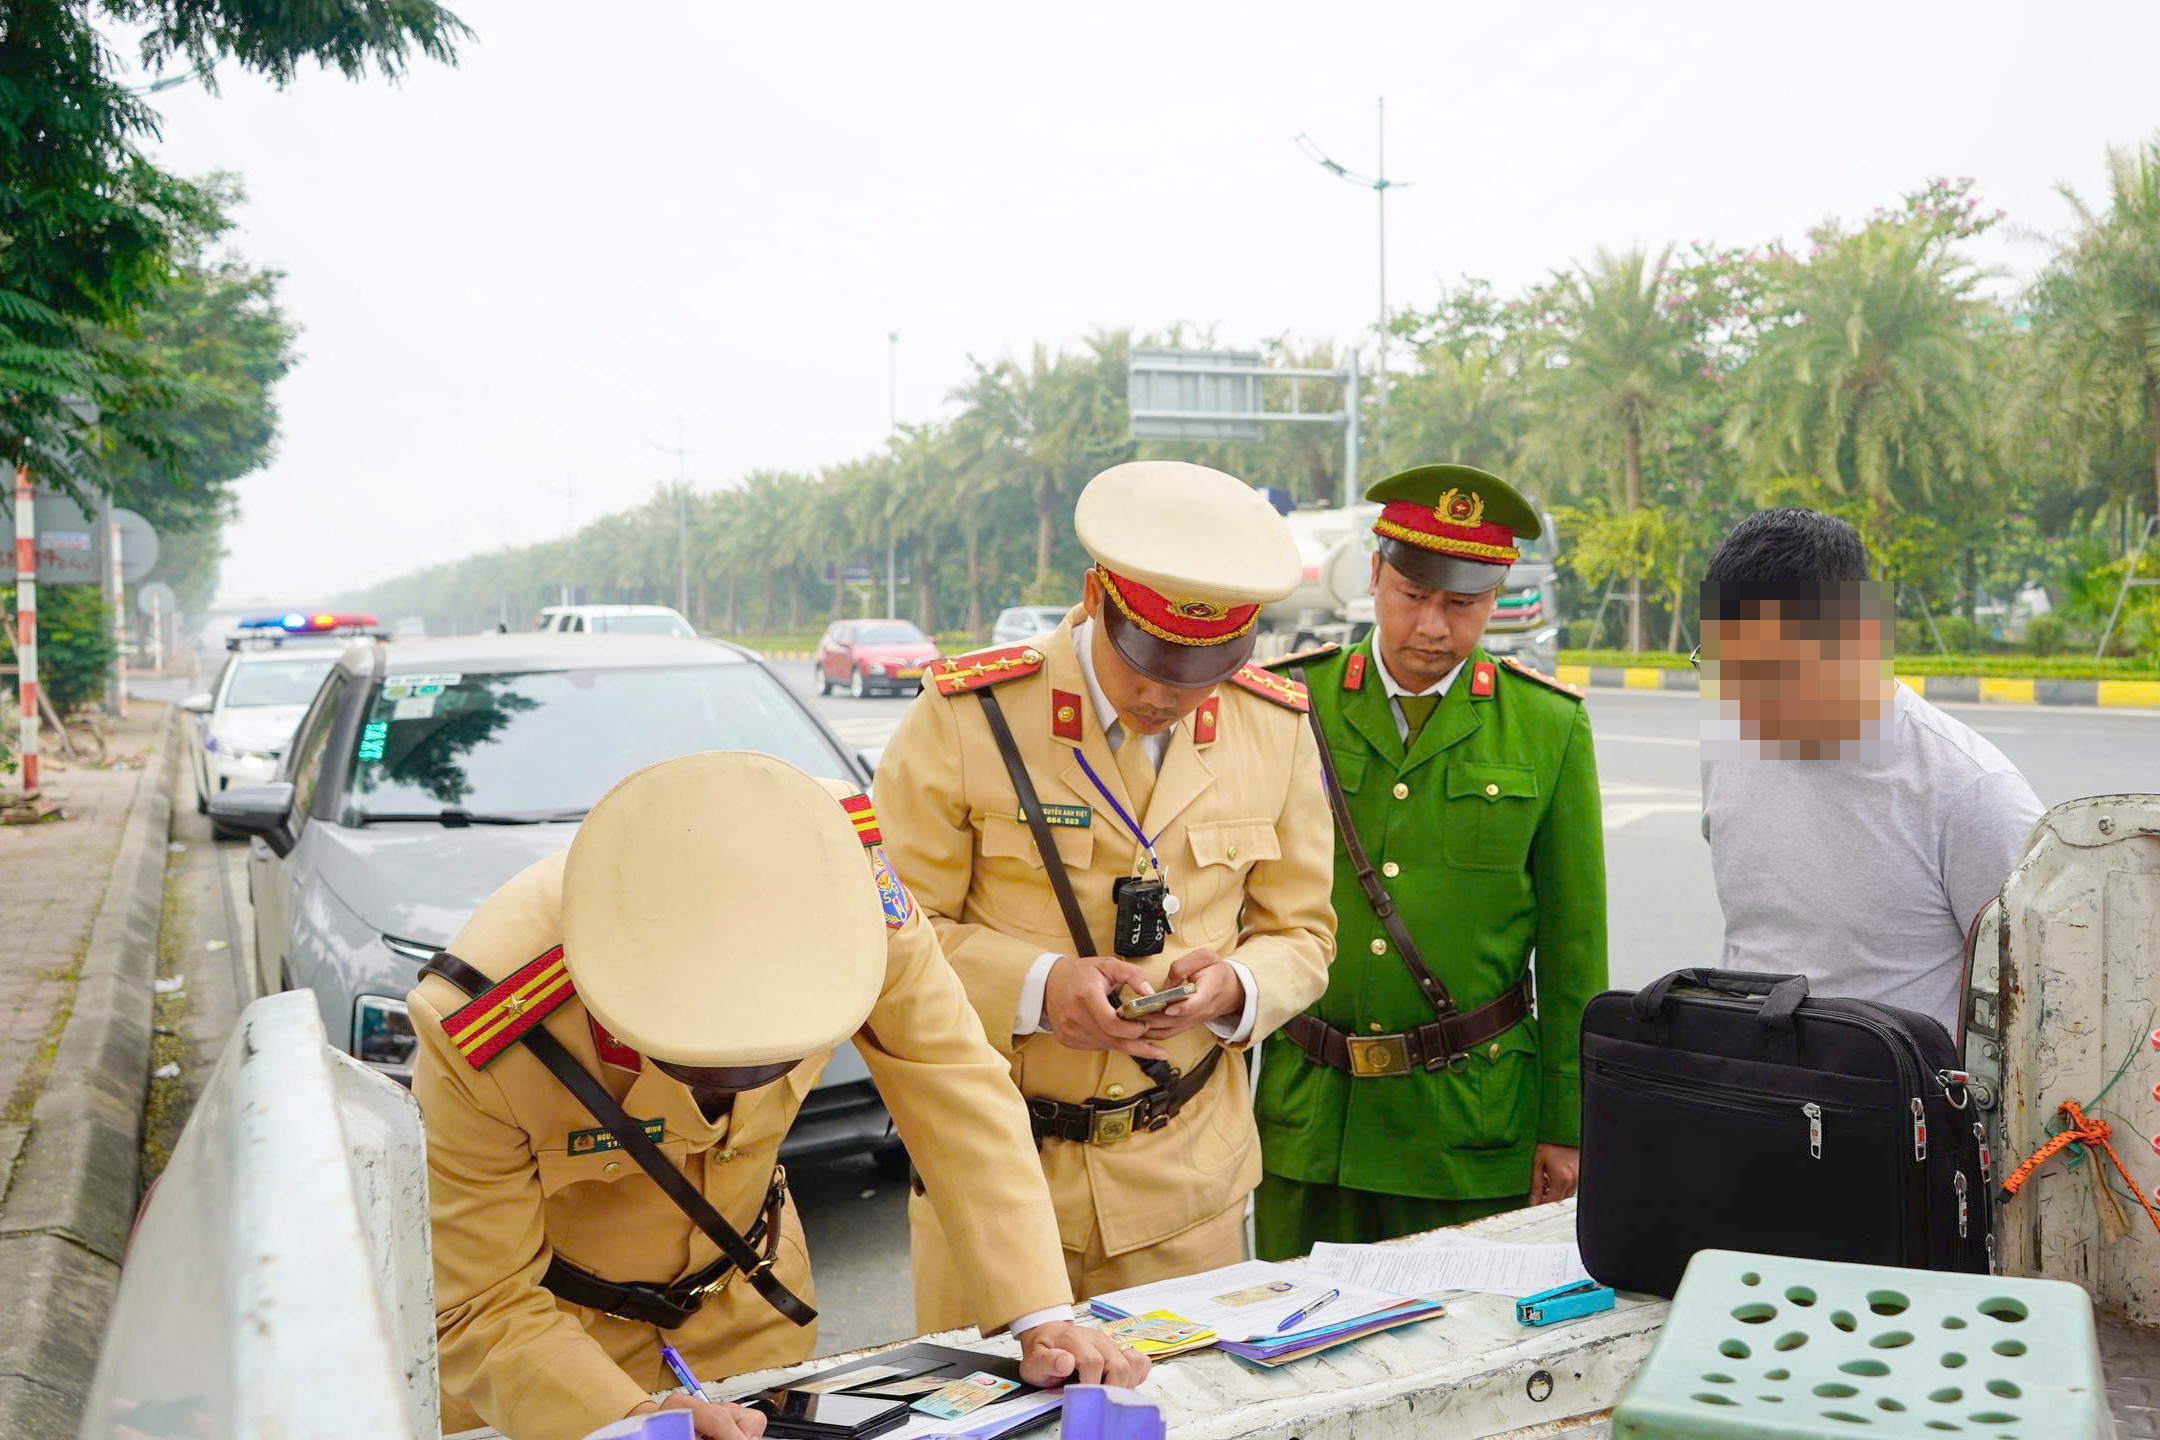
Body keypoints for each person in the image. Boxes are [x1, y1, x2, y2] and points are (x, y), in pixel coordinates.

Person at [407, 752, 1146, 1440]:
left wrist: (1040, 1315)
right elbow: (481, 1303)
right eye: (701, 1065)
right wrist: (635, 1420)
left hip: (750, 1299)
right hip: (554, 1356)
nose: (745, 1089)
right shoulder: (481, 1022)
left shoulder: (845, 886)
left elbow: (953, 1078)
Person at [875, 460, 1336, 1329]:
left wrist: (1232, 988)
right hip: (996, 1176)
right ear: (1096, 596)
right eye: (1147, 663)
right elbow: (891, 934)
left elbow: (1303, 933)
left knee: (1173, 1418)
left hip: (1184, 1181)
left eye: (1200, 672)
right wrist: (1039, 987)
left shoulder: (1272, 728)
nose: (1167, 695)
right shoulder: (971, 715)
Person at [1251, 464, 1608, 1261]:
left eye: (1461, 603)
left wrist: (1567, 1129)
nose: (1433, 628)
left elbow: (1576, 950)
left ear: (1496, 600)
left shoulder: (1547, 729)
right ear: (1375, 575)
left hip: (1469, 1127)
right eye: (1413, 595)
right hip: (1312, 1120)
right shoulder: (1289, 704)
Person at [1697, 506, 2045, 1038]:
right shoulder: (1730, 745)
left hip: (1892, 1111)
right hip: (1753, 1096)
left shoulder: (1971, 794)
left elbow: (2045, 1006)